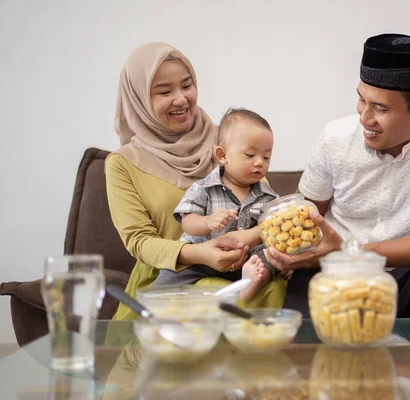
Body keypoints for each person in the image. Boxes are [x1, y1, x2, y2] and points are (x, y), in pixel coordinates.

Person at [265, 33, 410, 318]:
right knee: (308, 288)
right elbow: (306, 215)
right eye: (362, 100)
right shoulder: (335, 137)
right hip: (337, 275)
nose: (364, 118)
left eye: (380, 109)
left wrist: (352, 251)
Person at [106, 42, 286, 320]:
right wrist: (198, 253)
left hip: (245, 277)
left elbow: (270, 214)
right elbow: (139, 241)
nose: (180, 99)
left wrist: (248, 239)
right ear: (139, 98)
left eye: (187, 86)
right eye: (164, 91)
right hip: (172, 281)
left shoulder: (229, 138)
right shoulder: (122, 164)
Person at [154, 107, 288, 301]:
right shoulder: (204, 188)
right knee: (172, 271)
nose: (259, 162)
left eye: (266, 157)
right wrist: (207, 222)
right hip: (204, 258)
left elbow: (273, 230)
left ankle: (251, 280)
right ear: (222, 155)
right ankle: (156, 303)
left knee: (271, 251)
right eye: (250, 155)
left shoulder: (268, 197)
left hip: (244, 260)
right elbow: (187, 222)